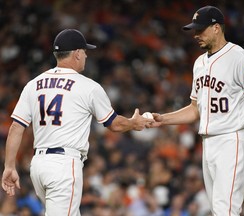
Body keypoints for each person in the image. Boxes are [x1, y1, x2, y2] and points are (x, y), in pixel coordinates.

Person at [1, 29, 154, 215]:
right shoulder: (88, 86)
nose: (86, 55)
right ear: (77, 53)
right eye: (85, 51)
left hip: (38, 165)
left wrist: (9, 166)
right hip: (64, 165)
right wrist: (133, 123)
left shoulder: (34, 84)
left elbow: (16, 127)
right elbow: (115, 124)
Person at [147, 5, 244, 216]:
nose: (196, 35)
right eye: (194, 30)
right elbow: (195, 110)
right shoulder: (199, 63)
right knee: (218, 210)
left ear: (216, 28)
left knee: (226, 211)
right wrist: (163, 119)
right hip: (208, 143)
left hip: (231, 140)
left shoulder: (239, 57)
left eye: (201, 29)